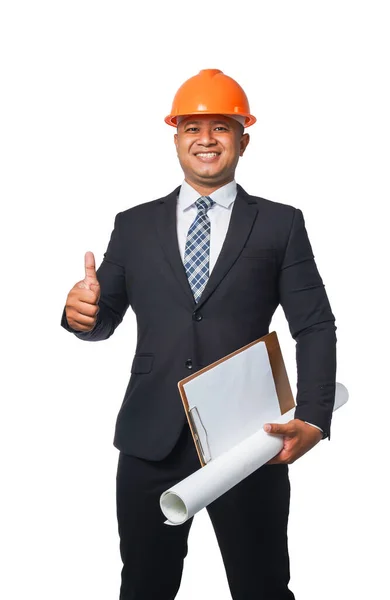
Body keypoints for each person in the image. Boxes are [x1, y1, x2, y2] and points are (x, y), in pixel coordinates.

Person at [61, 68, 336, 600]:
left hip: (248, 441)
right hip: (150, 439)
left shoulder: (280, 224)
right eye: (192, 127)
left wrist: (313, 420)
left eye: (221, 127)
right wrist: (82, 316)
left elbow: (315, 325)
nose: (206, 139)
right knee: (144, 585)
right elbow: (103, 318)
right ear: (176, 138)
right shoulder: (133, 224)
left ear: (243, 140)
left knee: (261, 587)